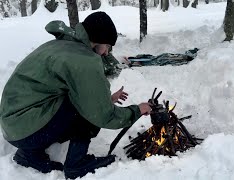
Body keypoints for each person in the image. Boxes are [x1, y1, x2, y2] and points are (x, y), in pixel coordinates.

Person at [0, 11, 152, 179]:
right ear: (98, 39)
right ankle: (77, 164)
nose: (107, 53)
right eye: (108, 47)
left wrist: (106, 98)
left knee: (83, 101)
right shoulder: (82, 60)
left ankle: (29, 155)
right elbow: (101, 114)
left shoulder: (64, 45)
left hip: (14, 125)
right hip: (26, 129)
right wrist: (136, 110)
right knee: (87, 109)